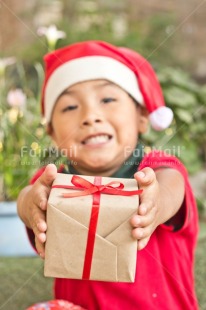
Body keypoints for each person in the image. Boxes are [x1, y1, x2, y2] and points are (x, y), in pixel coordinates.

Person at [17, 41, 199, 309]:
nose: (90, 116)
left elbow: (172, 186)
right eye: (69, 107)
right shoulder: (53, 182)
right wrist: (30, 203)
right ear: (53, 134)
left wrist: (154, 204)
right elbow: (27, 196)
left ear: (142, 116)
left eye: (108, 99)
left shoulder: (156, 170)